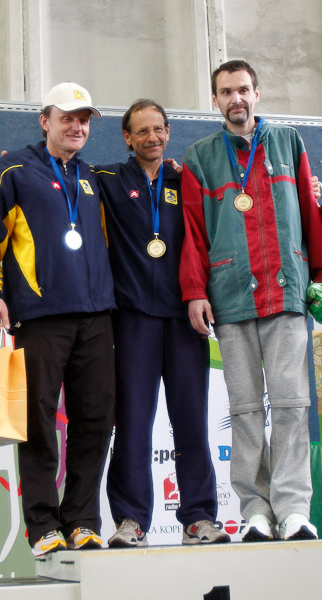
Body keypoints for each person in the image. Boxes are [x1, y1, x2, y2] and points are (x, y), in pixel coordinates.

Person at [178, 60, 322, 542]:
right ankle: (255, 511)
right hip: (230, 298)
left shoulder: (289, 143)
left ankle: (292, 510)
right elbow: (192, 233)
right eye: (227, 91)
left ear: (257, 93)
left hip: (286, 292)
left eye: (244, 89)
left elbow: (309, 212)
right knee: (245, 410)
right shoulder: (199, 157)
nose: (237, 99)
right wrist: (195, 292)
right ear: (215, 100)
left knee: (291, 405)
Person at [0, 82, 117, 557]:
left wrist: (172, 169)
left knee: (95, 421)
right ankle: (43, 525)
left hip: (96, 317)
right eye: (67, 117)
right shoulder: (15, 170)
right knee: (37, 422)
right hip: (40, 317)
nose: (77, 127)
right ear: (44, 121)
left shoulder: (93, 176)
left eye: (84, 120)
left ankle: (83, 521)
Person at [94, 100, 227, 547]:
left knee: (191, 423)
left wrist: (314, 188)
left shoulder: (186, 179)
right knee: (133, 425)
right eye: (142, 131)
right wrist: (3, 167)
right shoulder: (108, 179)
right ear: (127, 138)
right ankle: (131, 522)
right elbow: (58, 176)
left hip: (185, 318)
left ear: (169, 132)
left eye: (159, 129)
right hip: (133, 320)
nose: (152, 137)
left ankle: (199, 518)